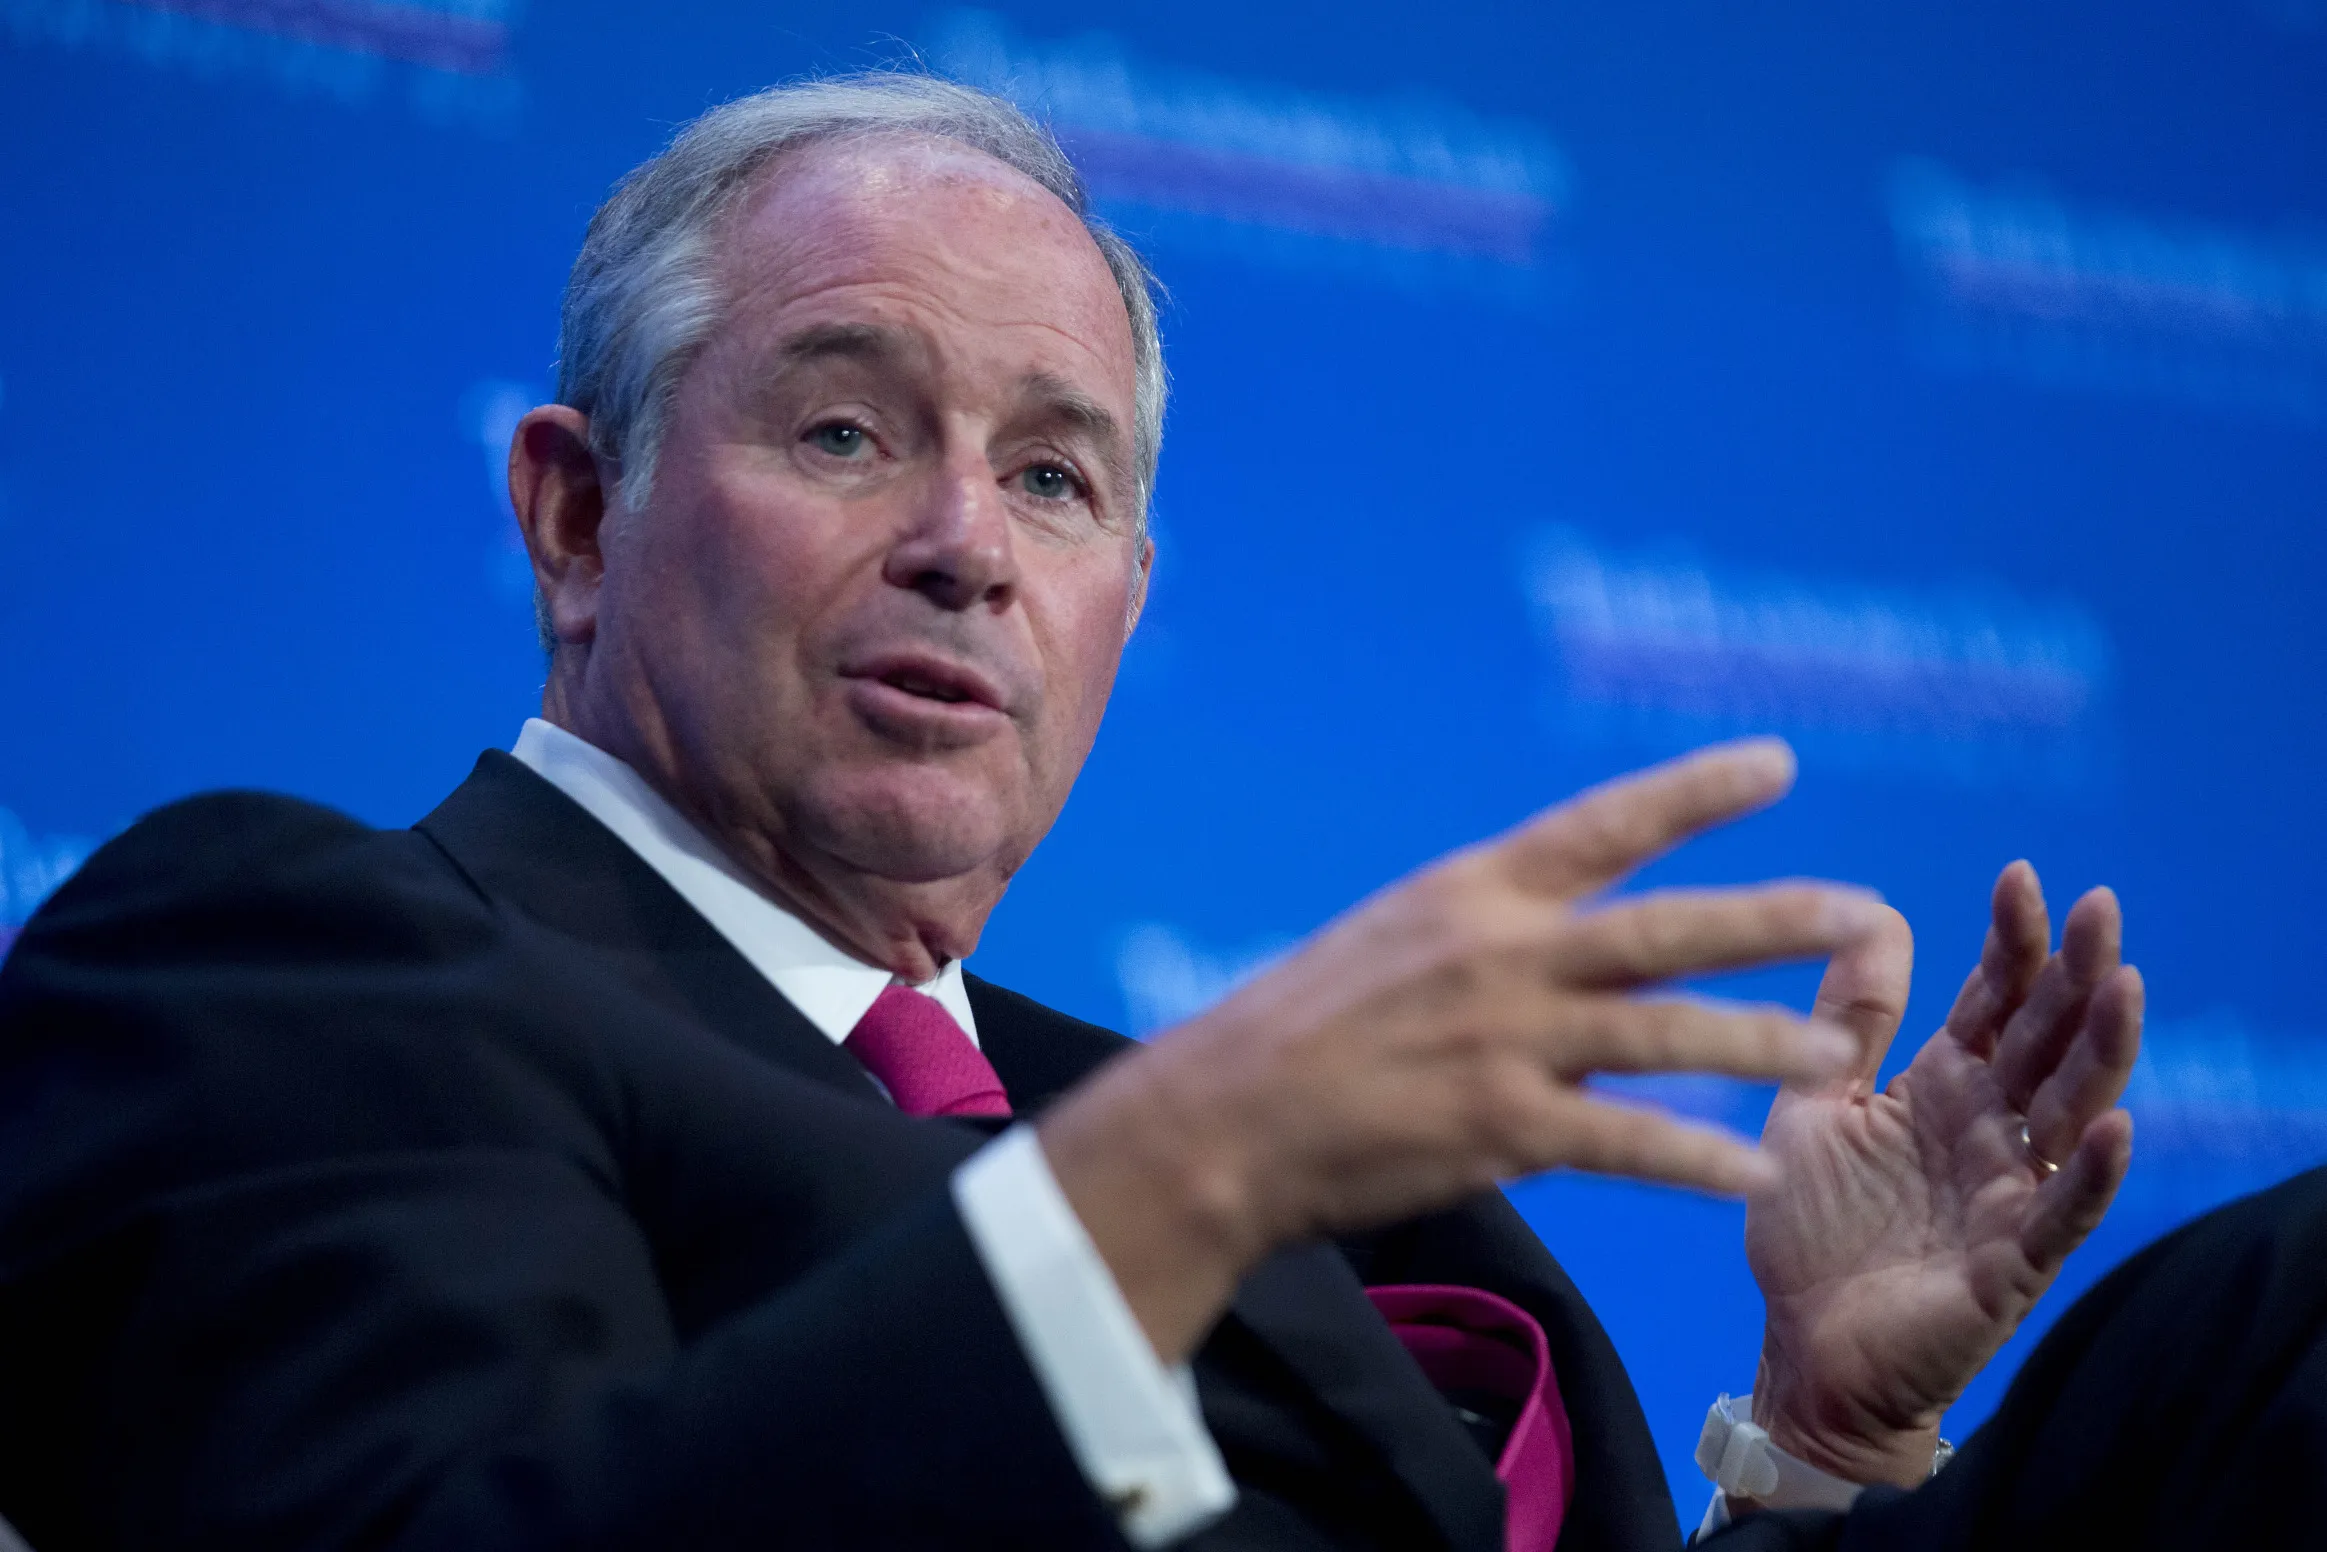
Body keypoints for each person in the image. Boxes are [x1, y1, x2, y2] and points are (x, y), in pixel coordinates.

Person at [0, 72, 2316, 1552]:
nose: (964, 541)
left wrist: (1813, 1437)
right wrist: (1173, 1177)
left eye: (1052, 474)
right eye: (839, 430)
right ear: (575, 518)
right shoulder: (286, 954)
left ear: (1124, 598)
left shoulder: (1262, 1150)